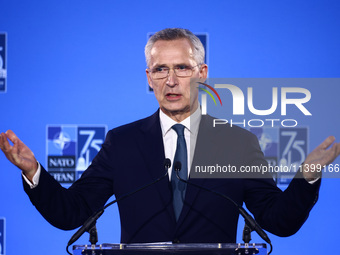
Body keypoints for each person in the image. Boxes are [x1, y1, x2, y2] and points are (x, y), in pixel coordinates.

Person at [0, 28, 339, 244]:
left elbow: (277, 220)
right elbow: (72, 212)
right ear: (149, 78)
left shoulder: (237, 143)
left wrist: (307, 176)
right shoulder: (123, 142)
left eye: (183, 68)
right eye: (161, 69)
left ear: (202, 74)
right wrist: (33, 172)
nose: (171, 80)